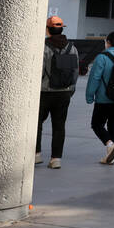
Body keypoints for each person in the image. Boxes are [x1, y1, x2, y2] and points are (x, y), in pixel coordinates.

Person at [37, 15, 80, 169]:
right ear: (62, 29)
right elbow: (75, 71)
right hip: (64, 92)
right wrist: (70, 89)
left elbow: (39, 70)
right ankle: (56, 159)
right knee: (59, 125)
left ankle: (36, 154)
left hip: (44, 91)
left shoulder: (43, 46)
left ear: (48, 30)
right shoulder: (71, 48)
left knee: (37, 123)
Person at [86, 30, 114, 164]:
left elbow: (94, 78)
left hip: (104, 98)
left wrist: (89, 96)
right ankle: (110, 156)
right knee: (113, 124)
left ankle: (110, 145)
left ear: (108, 42)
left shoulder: (102, 57)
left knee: (97, 124)